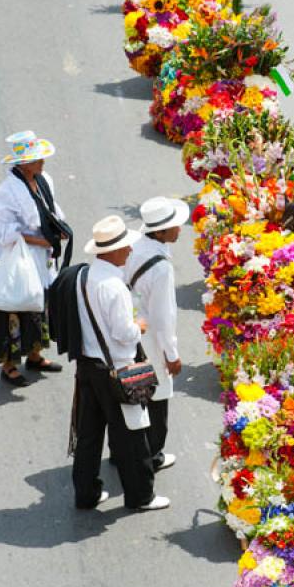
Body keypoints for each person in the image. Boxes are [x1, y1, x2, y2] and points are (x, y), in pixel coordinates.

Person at [72, 215, 170, 510]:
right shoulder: (114, 286)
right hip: (116, 369)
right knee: (133, 435)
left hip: (89, 366)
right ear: (112, 251)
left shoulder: (85, 276)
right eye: (125, 247)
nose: (129, 251)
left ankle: (86, 493)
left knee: (88, 434)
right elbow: (123, 333)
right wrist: (139, 325)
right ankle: (141, 496)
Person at [0, 130, 72, 386]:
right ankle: (9, 365)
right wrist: (41, 240)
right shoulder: (8, 191)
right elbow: (5, 232)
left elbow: (51, 210)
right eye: (38, 159)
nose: (43, 162)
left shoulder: (44, 178)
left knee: (41, 304)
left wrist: (58, 230)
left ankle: (36, 355)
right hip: (18, 259)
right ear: (24, 163)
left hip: (42, 257)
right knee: (14, 307)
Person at [123, 196, 189, 472]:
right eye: (174, 226)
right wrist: (171, 355)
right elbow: (164, 318)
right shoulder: (160, 267)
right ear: (159, 232)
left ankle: (124, 450)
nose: (180, 230)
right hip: (150, 338)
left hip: (129, 330)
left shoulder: (135, 246)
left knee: (132, 393)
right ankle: (152, 454)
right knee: (157, 396)